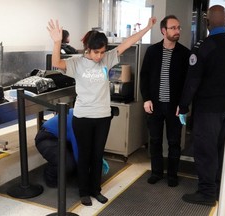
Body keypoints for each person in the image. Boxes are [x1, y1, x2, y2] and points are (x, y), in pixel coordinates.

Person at [47, 17, 156, 206]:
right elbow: (56, 62)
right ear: (88, 48)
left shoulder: (107, 59)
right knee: (84, 155)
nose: (99, 56)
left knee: (98, 155)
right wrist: (57, 42)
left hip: (103, 117)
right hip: (82, 117)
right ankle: (83, 192)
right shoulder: (76, 63)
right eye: (96, 52)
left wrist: (147, 27)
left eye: (102, 52)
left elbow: (127, 43)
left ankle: (95, 190)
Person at [177, 5, 225, 206]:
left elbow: (192, 80)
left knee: (205, 150)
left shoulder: (203, 46)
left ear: (208, 23)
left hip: (208, 109)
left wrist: (183, 106)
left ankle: (206, 194)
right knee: (222, 148)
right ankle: (220, 188)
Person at [140, 15, 190, 187]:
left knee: (174, 141)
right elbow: (144, 76)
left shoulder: (185, 54)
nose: (177, 31)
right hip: (154, 104)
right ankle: (156, 172)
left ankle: (172, 175)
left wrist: (183, 105)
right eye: (173, 28)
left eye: (178, 27)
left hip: (174, 106)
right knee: (154, 140)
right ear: (163, 31)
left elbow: (188, 83)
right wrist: (146, 98)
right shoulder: (152, 51)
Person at [35, 108, 109, 188]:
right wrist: (86, 172)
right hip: (47, 138)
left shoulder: (86, 115)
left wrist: (99, 159)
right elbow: (78, 148)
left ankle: (68, 168)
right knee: (67, 164)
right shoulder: (77, 121)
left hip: (64, 139)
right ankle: (50, 176)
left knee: (79, 159)